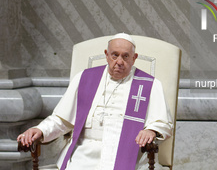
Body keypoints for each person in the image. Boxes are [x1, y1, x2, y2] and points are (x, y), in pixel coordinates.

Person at [17, 33, 173, 170]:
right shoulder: (85, 78)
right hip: (83, 156)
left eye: (125, 56)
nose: (119, 61)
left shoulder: (150, 84)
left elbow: (163, 123)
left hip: (127, 154)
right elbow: (62, 119)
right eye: (114, 55)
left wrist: (151, 130)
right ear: (106, 54)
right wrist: (40, 130)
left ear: (134, 58)